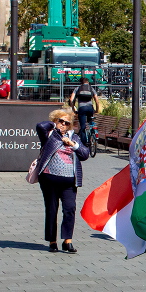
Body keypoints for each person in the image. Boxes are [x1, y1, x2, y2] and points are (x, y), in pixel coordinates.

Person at [32, 110, 89, 253]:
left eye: (67, 123)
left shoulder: (74, 137)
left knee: (70, 209)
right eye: (60, 121)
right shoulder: (49, 135)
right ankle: (52, 241)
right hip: (49, 179)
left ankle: (67, 241)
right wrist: (54, 125)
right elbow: (40, 126)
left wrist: (73, 144)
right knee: (52, 209)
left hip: (69, 181)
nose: (63, 124)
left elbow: (85, 154)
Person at [68, 77, 100, 146]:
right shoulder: (91, 88)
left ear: (81, 83)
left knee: (83, 126)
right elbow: (97, 101)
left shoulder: (77, 88)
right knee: (90, 122)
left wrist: (74, 109)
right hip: (90, 108)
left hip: (82, 108)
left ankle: (84, 143)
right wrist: (97, 110)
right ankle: (93, 134)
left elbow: (71, 100)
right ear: (88, 82)